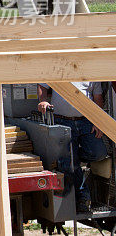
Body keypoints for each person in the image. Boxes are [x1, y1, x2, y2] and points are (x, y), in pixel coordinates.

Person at [38, 82, 108, 213]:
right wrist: (43, 101)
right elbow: (43, 85)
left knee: (98, 153)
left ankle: (73, 158)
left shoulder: (90, 72)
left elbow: (98, 98)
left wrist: (98, 121)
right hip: (62, 120)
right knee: (71, 162)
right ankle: (82, 198)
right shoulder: (59, 67)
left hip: (86, 120)